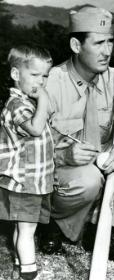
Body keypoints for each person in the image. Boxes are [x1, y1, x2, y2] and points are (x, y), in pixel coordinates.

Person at [39, 6, 114, 263]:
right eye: (99, 43)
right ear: (76, 44)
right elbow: (21, 141)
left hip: (98, 160)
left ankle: (99, 229)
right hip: (62, 170)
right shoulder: (49, 83)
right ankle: (49, 222)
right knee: (90, 179)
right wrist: (62, 152)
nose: (107, 51)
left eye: (110, 42)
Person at [0, 46, 54, 280]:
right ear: (15, 74)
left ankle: (17, 267)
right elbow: (35, 128)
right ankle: (28, 274)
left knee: (22, 228)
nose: (40, 82)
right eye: (34, 75)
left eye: (45, 76)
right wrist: (44, 99)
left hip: (34, 180)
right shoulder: (17, 104)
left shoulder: (26, 102)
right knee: (27, 231)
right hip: (25, 181)